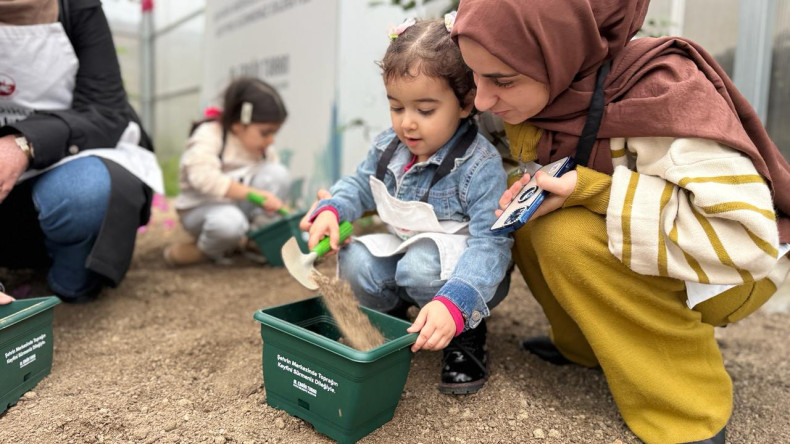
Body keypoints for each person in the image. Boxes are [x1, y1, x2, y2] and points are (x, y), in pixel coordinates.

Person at [452, 0, 790, 442]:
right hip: (680, 248)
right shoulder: (556, 88)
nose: (482, 99)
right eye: (475, 75)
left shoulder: (661, 93)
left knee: (564, 235)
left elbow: (747, 239)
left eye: (502, 80)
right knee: (527, 212)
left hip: (728, 269)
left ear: (560, 50)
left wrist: (594, 191)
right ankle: (589, 347)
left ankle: (688, 408)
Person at [304, 16, 513, 395]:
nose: (407, 124)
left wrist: (458, 302)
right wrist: (333, 209)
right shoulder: (390, 147)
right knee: (354, 261)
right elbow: (360, 185)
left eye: (425, 110)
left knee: (419, 266)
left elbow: (491, 243)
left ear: (466, 103)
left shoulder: (479, 165)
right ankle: (393, 321)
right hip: (405, 254)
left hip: (459, 275)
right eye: (396, 108)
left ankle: (463, 336)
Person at [0, 0, 162, 303]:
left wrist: (23, 143)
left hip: (69, 155)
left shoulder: (77, 7)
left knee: (86, 192)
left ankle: (68, 284)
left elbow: (105, 110)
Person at [165, 77, 291, 266]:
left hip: (239, 209)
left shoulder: (264, 151)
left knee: (278, 174)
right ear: (238, 124)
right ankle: (205, 251)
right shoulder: (210, 134)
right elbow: (202, 177)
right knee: (229, 224)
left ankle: (256, 241)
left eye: (275, 133)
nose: (271, 139)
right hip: (203, 209)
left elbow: (274, 187)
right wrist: (253, 194)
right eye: (265, 132)